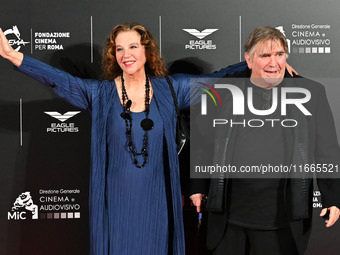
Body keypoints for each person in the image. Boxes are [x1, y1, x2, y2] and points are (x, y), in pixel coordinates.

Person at [0, 23, 252, 255]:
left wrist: (257, 63)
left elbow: (219, 79)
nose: (125, 54)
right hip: (116, 201)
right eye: (119, 49)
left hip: (158, 200)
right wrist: (13, 55)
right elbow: (60, 81)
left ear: (147, 51)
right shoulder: (100, 94)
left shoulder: (172, 89)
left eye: (132, 46)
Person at [190, 26, 340, 255]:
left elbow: (326, 150)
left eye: (279, 54)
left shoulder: (311, 93)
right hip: (229, 219)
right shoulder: (223, 92)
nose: (274, 62)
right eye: (265, 55)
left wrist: (333, 197)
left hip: (282, 220)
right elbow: (203, 142)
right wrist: (198, 186)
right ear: (248, 60)